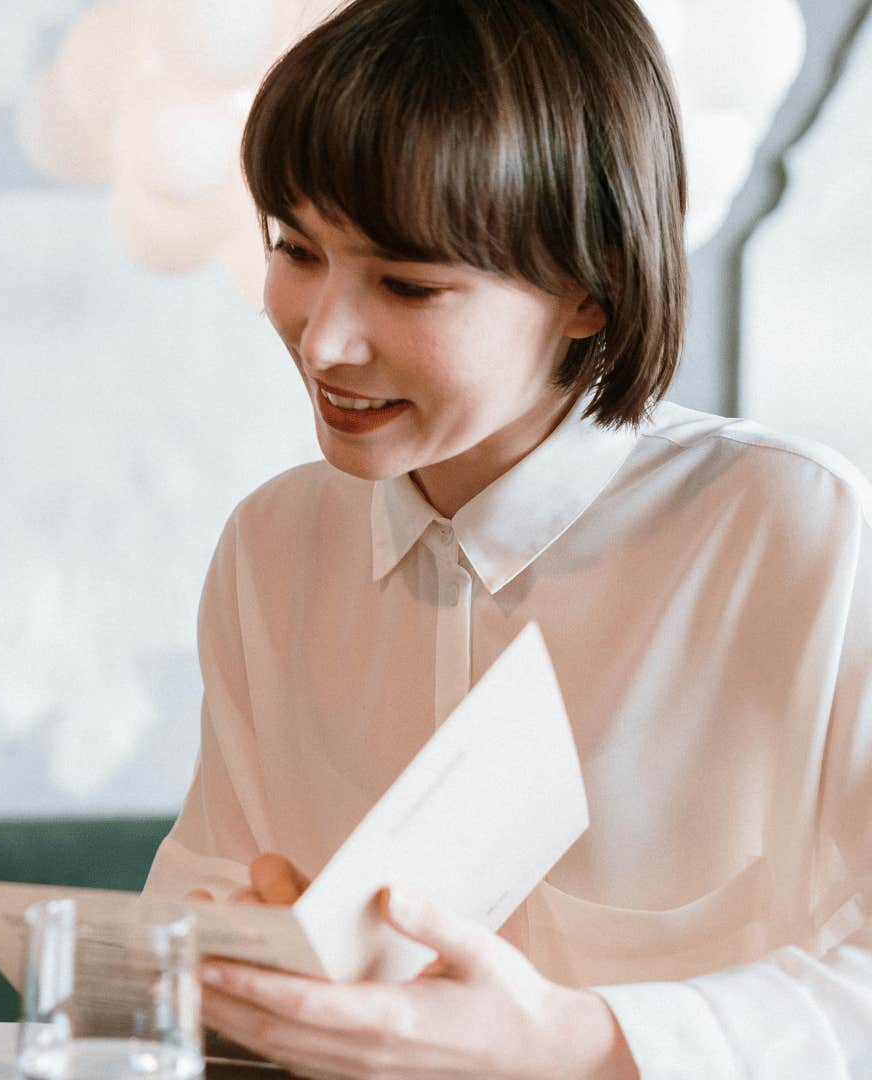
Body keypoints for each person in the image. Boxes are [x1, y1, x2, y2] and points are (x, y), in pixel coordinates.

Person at [143, 0, 872, 1076]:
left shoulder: (793, 531)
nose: (324, 337)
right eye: (296, 249)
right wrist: (248, 981)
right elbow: (183, 950)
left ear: (590, 290)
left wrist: (578, 1043)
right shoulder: (275, 546)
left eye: (408, 283)